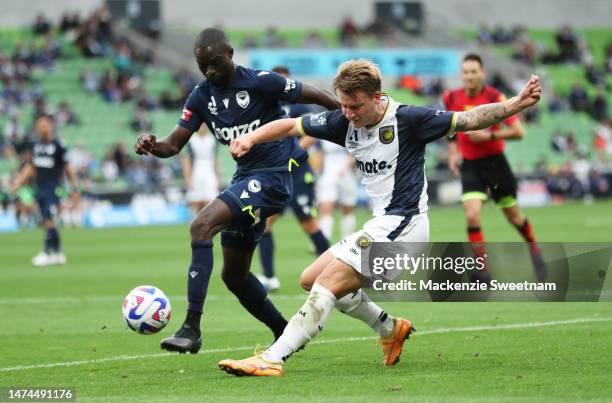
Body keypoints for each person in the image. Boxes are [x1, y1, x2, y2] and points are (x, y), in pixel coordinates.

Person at [218, 59, 542, 376]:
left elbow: (470, 119)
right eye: (344, 105)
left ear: (376, 97)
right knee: (309, 279)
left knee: (327, 284)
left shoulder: (410, 119)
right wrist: (250, 138)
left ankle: (272, 358)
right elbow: (290, 125)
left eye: (356, 106)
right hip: (381, 224)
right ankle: (389, 328)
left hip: (406, 228)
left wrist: (517, 103)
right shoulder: (343, 122)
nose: (349, 114)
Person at [134, 28, 340, 354]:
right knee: (235, 276)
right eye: (203, 66)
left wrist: (344, 112)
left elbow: (310, 93)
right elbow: (173, 144)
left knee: (200, 226)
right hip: (245, 180)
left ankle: (191, 328)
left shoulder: (261, 81)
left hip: (271, 178)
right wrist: (152, 145)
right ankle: (284, 333)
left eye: (215, 63)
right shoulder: (201, 96)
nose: (210, 71)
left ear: (230, 54)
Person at [444, 53, 546, 282]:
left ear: (482, 73)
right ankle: (483, 269)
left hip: (495, 164)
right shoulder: (450, 97)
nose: (469, 76)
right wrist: (453, 154)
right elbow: (451, 130)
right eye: (465, 72)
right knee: (472, 215)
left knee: (514, 218)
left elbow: (519, 132)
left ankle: (535, 250)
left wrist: (490, 134)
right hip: (470, 165)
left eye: (473, 71)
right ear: (461, 74)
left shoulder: (494, 96)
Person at [256, 66, 330, 291]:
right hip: (277, 175)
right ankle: (269, 277)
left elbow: (312, 133)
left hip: (298, 174)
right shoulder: (268, 105)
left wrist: (291, 151)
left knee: (308, 224)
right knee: (264, 224)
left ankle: (333, 269)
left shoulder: (300, 104)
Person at [11, 115, 80, 266]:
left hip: (54, 188)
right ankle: (59, 253)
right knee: (46, 221)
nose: (41, 128)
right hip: (40, 189)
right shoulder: (36, 146)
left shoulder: (58, 145)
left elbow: (68, 168)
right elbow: (30, 167)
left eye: (44, 125)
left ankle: (47, 252)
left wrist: (74, 188)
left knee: (49, 220)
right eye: (39, 125)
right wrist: (18, 182)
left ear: (50, 126)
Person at [182, 124, 220, 213]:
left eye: (204, 126)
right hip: (196, 172)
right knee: (195, 200)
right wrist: (188, 178)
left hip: (210, 173)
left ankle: (209, 222)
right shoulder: (191, 140)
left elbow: (215, 159)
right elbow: (187, 160)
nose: (202, 128)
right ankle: (194, 221)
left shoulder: (212, 140)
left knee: (211, 200)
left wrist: (218, 177)